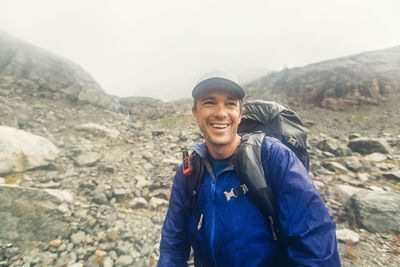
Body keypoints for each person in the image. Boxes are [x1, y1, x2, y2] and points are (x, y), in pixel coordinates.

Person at [158, 71, 340, 266]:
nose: (221, 113)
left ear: (240, 113)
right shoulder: (189, 172)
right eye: (209, 102)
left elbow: (313, 243)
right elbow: (173, 244)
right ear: (195, 113)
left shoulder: (273, 157)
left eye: (230, 103)